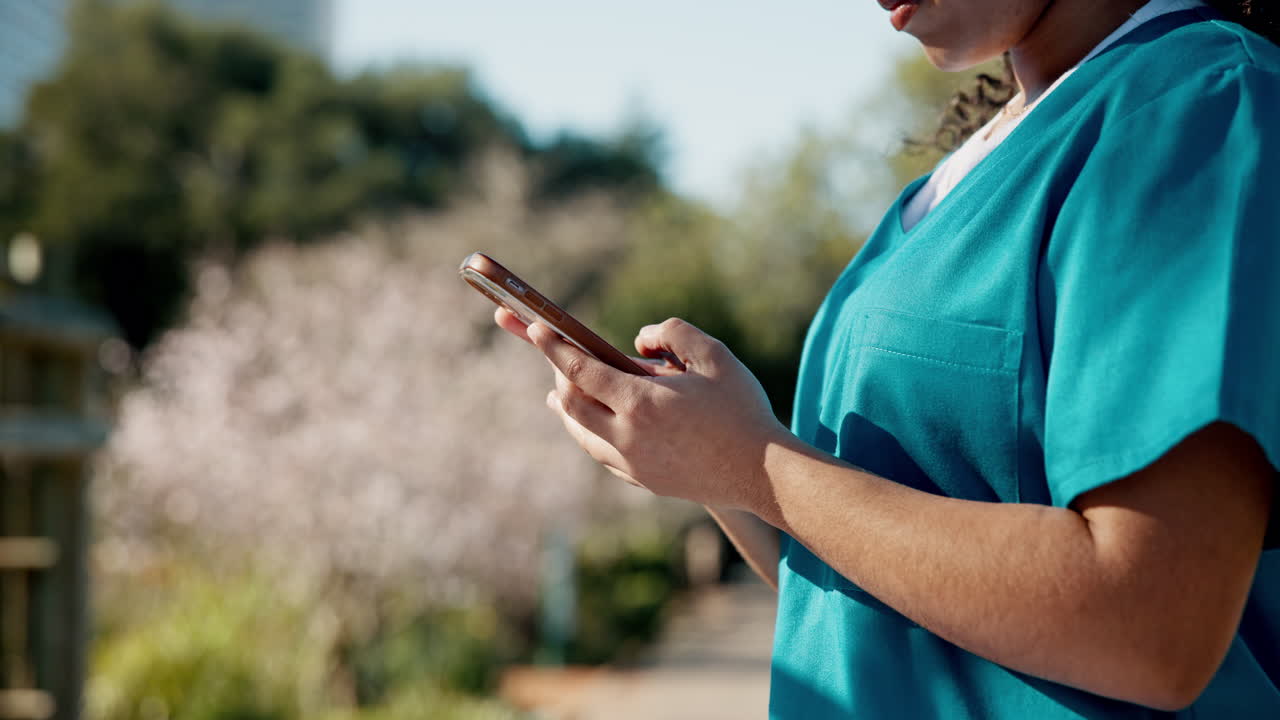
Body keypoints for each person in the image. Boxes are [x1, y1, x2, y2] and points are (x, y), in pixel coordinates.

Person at [495, 0, 1280, 716]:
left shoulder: (1198, 104)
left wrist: (756, 464)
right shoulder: (949, 183)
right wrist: (706, 462)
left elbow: (1150, 623)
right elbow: (850, 598)